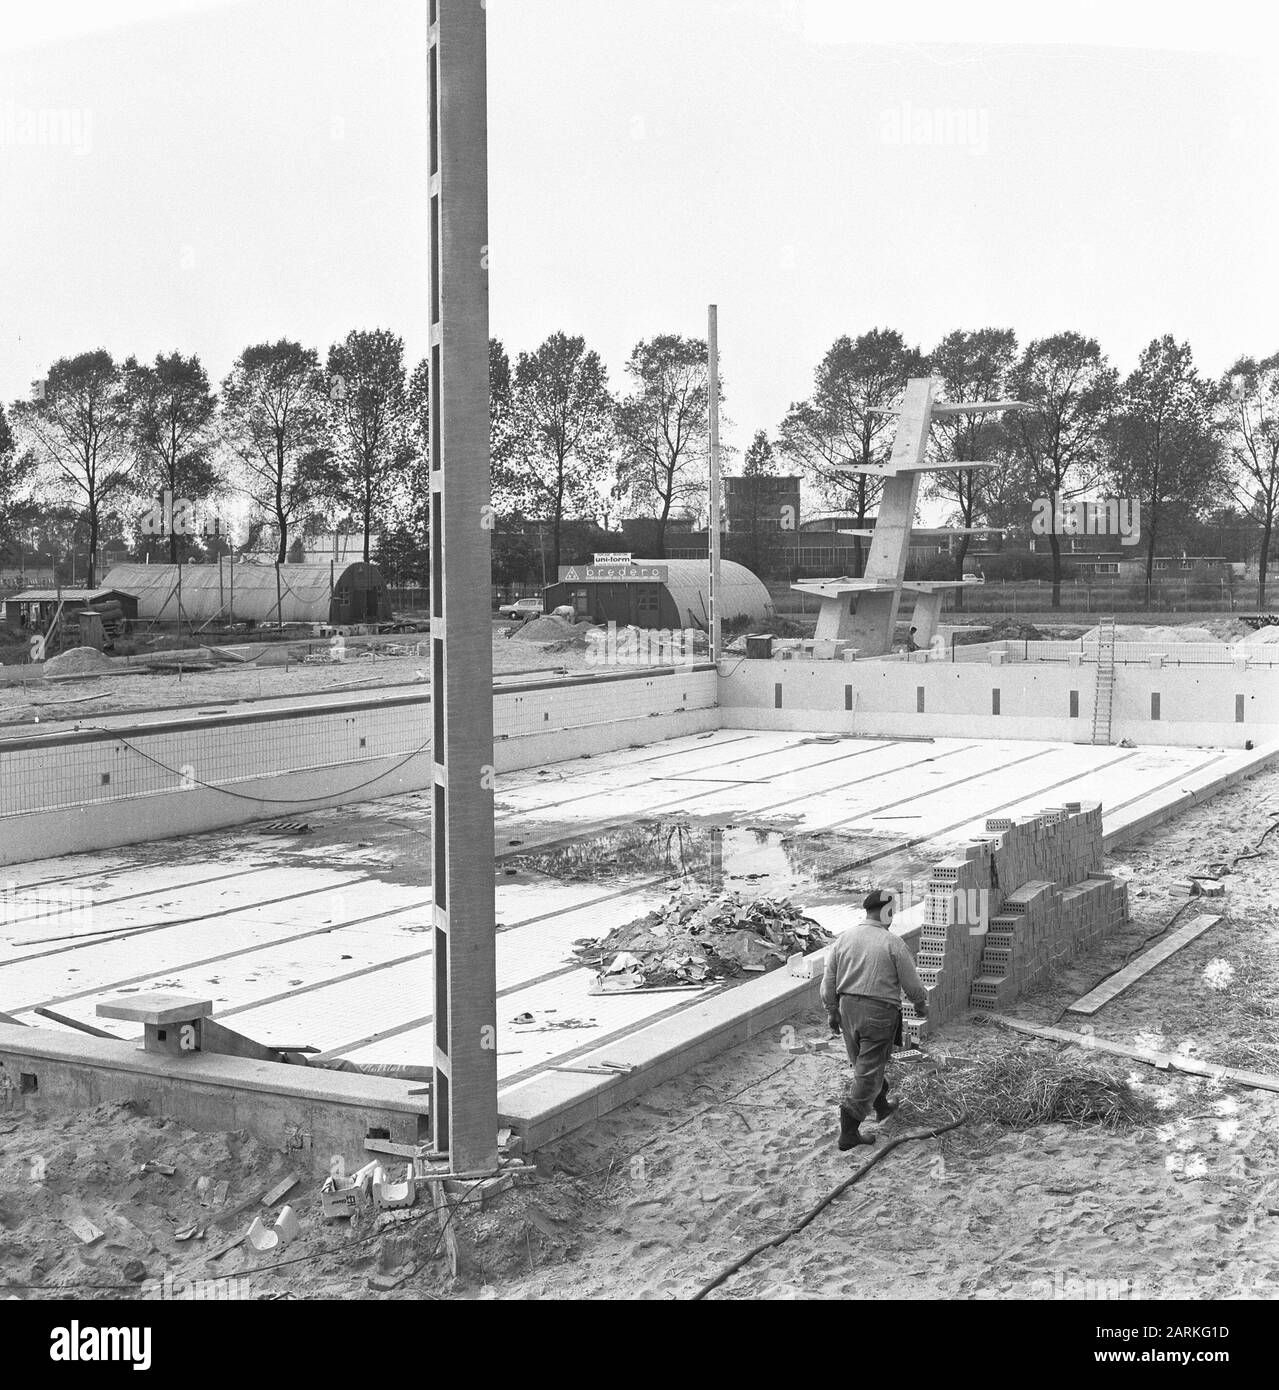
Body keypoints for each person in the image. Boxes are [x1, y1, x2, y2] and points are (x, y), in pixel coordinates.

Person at [820, 888, 929, 1150]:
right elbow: (912, 984)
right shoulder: (893, 943)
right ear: (887, 912)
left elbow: (828, 982)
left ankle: (881, 1107)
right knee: (868, 1071)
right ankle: (849, 1131)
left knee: (863, 1063)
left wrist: (831, 1010)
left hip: (848, 1010)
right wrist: (920, 1003)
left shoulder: (844, 939)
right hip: (878, 1012)